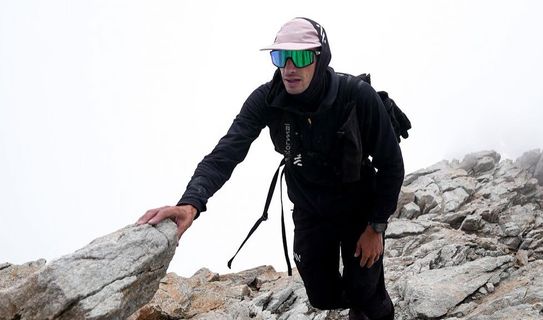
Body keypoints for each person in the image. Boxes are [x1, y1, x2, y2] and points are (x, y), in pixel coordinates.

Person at [137, 17, 404, 320]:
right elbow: (226, 152)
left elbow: (392, 166)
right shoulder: (267, 100)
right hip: (310, 210)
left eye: (301, 56)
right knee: (321, 296)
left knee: (365, 292)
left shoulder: (356, 96)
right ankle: (359, 298)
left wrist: (376, 227)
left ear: (320, 57)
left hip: (359, 209)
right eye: (280, 57)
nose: (289, 67)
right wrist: (190, 203)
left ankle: (370, 305)